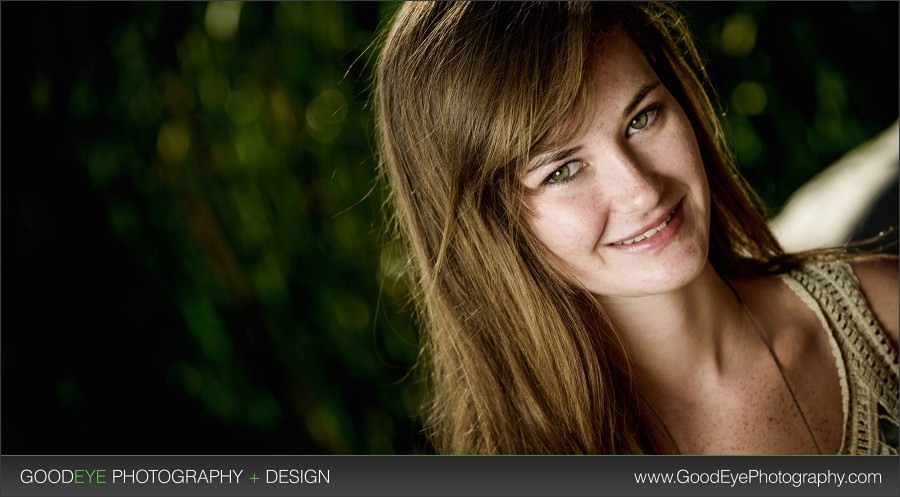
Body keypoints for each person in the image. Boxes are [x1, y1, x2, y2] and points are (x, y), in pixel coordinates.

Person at [373, 2, 899, 454]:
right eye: (562, 170)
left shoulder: (885, 314)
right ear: (490, 232)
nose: (642, 191)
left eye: (642, 118)